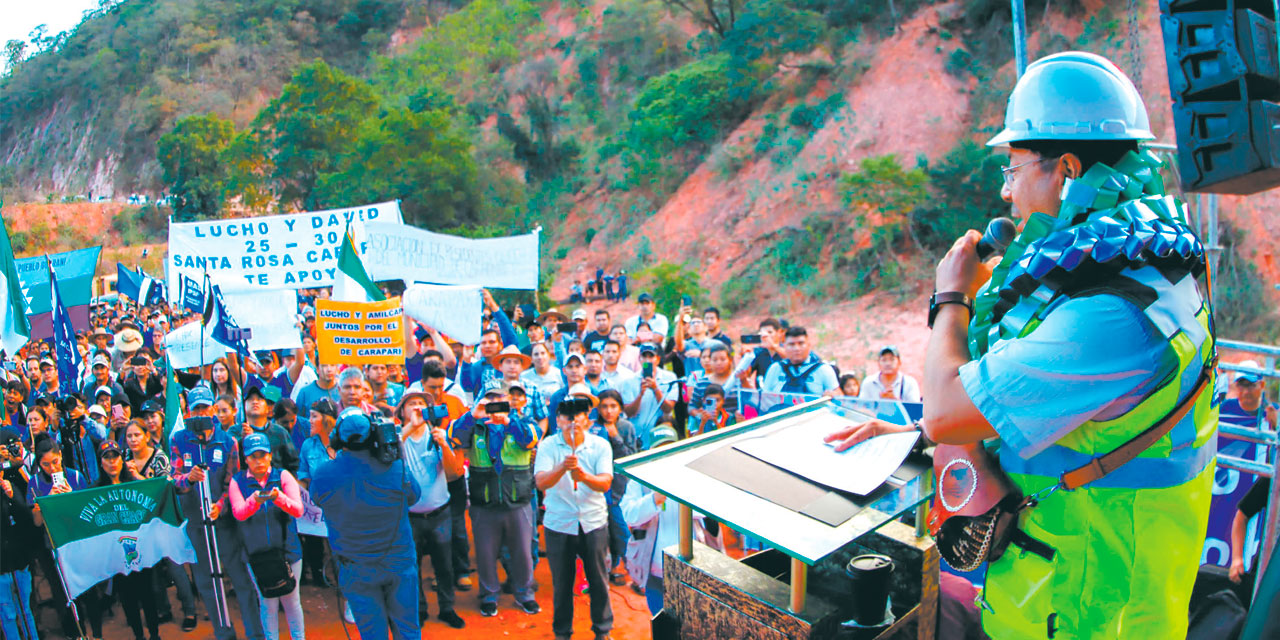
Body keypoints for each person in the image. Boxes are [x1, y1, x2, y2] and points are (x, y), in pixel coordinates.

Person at [828, 52, 1218, 639]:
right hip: (1090, 592)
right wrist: (905, 438)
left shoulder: (1108, 313)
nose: (1007, 194)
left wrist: (951, 299)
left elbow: (945, 410)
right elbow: (1061, 414)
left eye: (1012, 170)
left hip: (1088, 614)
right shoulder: (1152, 272)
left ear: (1064, 170)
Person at [311, 408, 422, 640]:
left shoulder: (323, 475)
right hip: (398, 565)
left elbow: (317, 498)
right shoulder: (396, 469)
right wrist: (396, 454)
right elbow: (415, 496)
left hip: (355, 569)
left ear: (337, 438)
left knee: (372, 635)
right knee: (408, 630)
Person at [450, 380, 541, 617]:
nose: (494, 404)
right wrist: (472, 415)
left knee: (522, 552)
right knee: (485, 553)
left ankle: (525, 594)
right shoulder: (474, 426)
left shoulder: (523, 422)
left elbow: (531, 439)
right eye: (489, 399)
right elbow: (455, 438)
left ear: (507, 402)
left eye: (498, 399)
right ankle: (489, 595)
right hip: (484, 503)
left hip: (517, 500)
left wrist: (508, 422)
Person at [170, 415, 266, 640]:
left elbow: (233, 482)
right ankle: (224, 633)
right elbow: (174, 480)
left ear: (212, 409)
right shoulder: (178, 440)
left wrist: (220, 505)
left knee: (240, 578)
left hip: (225, 524)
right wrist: (188, 479)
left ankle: (255, 633)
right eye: (195, 409)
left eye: (204, 408)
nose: (200, 414)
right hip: (196, 523)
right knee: (206, 581)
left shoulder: (227, 441)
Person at [535, 397, 615, 640]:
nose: (573, 421)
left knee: (598, 580)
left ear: (588, 420)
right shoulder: (548, 446)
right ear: (557, 421)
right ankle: (562, 633)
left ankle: (602, 631)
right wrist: (562, 467)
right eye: (567, 416)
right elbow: (541, 482)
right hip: (559, 523)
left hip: (593, 522)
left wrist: (583, 476)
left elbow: (605, 482)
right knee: (562, 582)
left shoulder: (600, 445)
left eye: (579, 415)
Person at [396, 392, 467, 629]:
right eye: (412, 404)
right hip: (410, 515)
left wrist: (444, 444)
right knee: (411, 565)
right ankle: (420, 609)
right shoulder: (397, 436)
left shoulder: (438, 435)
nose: (417, 408)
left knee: (444, 564)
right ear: (402, 411)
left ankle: (447, 608)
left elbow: (454, 473)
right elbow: (386, 454)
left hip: (439, 512)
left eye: (422, 405)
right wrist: (409, 428)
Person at [228, 433, 306, 640]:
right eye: (253, 456)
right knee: (268, 602)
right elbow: (239, 513)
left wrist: (278, 497)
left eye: (263, 455)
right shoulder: (237, 482)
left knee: (291, 600)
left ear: (270, 456)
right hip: (257, 555)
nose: (258, 461)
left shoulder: (283, 476)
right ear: (246, 459)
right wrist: (255, 500)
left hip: (288, 552)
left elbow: (298, 510)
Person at [620, 424, 696, 614]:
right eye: (660, 449)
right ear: (650, 452)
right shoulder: (640, 480)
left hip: (691, 569)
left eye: (670, 448)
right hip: (656, 572)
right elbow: (629, 514)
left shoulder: (692, 478)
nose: (666, 455)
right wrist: (654, 499)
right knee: (662, 622)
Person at [29, 437, 98, 639]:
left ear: (61, 456)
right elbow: (37, 522)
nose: (52, 468)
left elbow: (87, 515)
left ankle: (97, 632)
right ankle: (76, 633)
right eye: (45, 464)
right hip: (54, 546)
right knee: (64, 593)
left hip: (78, 543)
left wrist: (71, 499)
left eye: (55, 462)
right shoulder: (34, 483)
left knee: (88, 588)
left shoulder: (76, 477)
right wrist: (46, 502)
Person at [95, 439, 163, 640]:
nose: (111, 462)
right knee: (128, 599)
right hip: (116, 554)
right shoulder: (95, 489)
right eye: (106, 458)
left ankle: (155, 634)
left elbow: (155, 493)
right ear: (101, 462)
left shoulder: (134, 483)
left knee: (148, 594)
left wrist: (136, 475)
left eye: (115, 457)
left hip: (140, 549)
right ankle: (139, 636)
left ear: (121, 459)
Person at [592, 389, 638, 586]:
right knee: (602, 527)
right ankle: (607, 563)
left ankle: (621, 562)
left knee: (619, 526)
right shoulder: (594, 428)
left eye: (613, 406)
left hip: (620, 485)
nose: (609, 411)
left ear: (620, 408)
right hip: (598, 483)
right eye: (604, 406)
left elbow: (631, 457)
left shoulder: (626, 427)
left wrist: (616, 437)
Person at [0, 427, 40, 640]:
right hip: (0, 568)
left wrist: (10, 495)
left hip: (20, 562)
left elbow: (26, 518)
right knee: (7, 614)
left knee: (26, 611)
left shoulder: (12, 485)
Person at [295, 398, 337, 589]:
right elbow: (303, 477)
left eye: (314, 416)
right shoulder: (307, 446)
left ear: (327, 419)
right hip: (317, 508)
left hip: (341, 506)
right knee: (314, 545)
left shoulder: (342, 442)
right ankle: (319, 577)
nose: (309, 420)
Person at [238, 386, 301, 475]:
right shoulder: (235, 431)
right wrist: (242, 441)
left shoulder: (280, 432)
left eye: (259, 399)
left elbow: (293, 463)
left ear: (268, 408)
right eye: (250, 399)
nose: (255, 402)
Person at [761, 327, 838, 397]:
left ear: (809, 345)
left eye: (801, 343)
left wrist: (833, 396)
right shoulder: (776, 368)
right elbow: (765, 399)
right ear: (784, 346)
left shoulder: (823, 369)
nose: (797, 348)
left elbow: (840, 400)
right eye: (791, 344)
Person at [625, 345, 677, 448]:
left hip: (662, 436)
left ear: (657, 359)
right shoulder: (629, 380)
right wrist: (640, 394)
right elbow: (629, 413)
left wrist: (655, 389)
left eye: (651, 357)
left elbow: (668, 408)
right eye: (644, 357)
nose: (647, 360)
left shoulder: (670, 378)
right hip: (638, 435)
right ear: (639, 359)